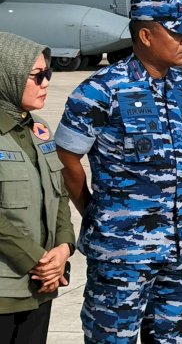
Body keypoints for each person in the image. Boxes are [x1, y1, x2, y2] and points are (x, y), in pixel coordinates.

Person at [55, 0, 182, 343]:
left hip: (181, 251)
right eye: (177, 34)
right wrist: (94, 210)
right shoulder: (100, 89)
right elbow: (65, 157)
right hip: (122, 253)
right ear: (146, 36)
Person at [0, 33, 74, 344]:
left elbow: (60, 196)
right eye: (37, 76)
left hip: (40, 289)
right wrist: (38, 261)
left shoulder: (38, 130)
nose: (46, 83)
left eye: (49, 73)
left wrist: (64, 248)